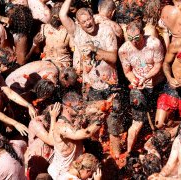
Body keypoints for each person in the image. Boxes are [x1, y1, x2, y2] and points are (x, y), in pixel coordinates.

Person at [59, 0, 123, 159]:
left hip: (111, 85)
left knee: (113, 124)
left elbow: (114, 58)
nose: (88, 23)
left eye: (89, 19)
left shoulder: (106, 30)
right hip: (91, 86)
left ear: (94, 17)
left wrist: (96, 49)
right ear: (79, 24)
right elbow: (62, 15)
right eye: (84, 21)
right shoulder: (77, 32)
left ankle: (117, 158)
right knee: (94, 122)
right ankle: (98, 157)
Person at [118, 19, 164, 154]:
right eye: (130, 38)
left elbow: (158, 66)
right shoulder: (124, 50)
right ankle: (129, 152)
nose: (134, 42)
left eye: (137, 38)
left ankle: (159, 146)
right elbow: (127, 72)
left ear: (143, 34)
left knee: (160, 121)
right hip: (139, 86)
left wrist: (146, 77)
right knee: (137, 121)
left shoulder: (154, 43)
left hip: (157, 84)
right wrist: (135, 80)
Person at [47, 92, 109, 179]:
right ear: (67, 108)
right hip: (60, 175)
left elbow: (91, 109)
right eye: (79, 108)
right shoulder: (61, 126)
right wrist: (100, 120)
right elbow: (85, 133)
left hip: (75, 172)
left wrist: (106, 103)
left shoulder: (76, 119)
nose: (81, 111)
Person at [31, 2, 74, 68]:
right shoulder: (44, 28)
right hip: (47, 63)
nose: (56, 11)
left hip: (63, 64)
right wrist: (35, 43)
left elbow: (73, 50)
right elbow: (37, 51)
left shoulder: (68, 29)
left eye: (59, 9)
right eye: (55, 8)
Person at [25, 102, 61, 180]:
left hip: (48, 161)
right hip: (37, 162)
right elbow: (51, 141)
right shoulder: (36, 123)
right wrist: (53, 118)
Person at [5, 60, 77, 95]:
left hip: (10, 78)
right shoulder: (52, 79)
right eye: (68, 84)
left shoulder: (53, 64)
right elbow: (41, 96)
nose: (67, 86)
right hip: (13, 87)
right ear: (63, 76)